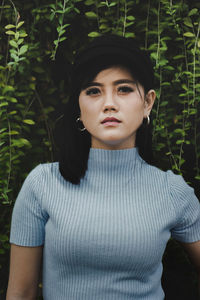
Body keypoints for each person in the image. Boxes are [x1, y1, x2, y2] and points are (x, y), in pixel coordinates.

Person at [6, 34, 200, 300]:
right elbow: (21, 292)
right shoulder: (42, 184)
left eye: (124, 89)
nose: (109, 103)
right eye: (93, 91)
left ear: (148, 103)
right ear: (79, 105)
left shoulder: (172, 191)